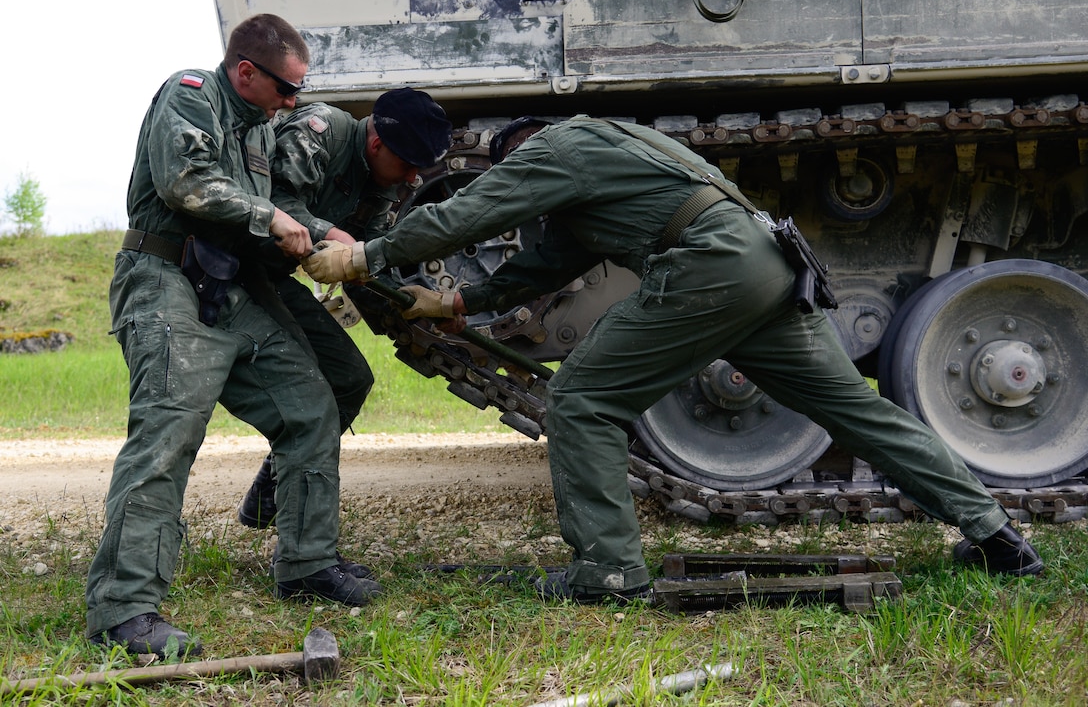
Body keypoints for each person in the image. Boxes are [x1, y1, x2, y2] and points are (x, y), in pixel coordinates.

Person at [300, 114, 1044, 603]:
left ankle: (610, 571)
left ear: (522, 150)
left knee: (584, 400)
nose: (520, 189)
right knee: (858, 410)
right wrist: (462, 305)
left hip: (709, 267)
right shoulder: (617, 150)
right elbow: (549, 261)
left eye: (516, 175)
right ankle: (997, 535)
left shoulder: (555, 148)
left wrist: (371, 254)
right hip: (770, 262)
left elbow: (470, 212)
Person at [85, 14, 380, 659]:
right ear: (245, 71)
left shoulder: (260, 129)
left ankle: (306, 563)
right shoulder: (189, 94)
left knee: (311, 407)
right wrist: (269, 215)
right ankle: (123, 610)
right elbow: (186, 184)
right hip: (165, 278)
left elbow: (278, 208)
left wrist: (323, 230)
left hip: (227, 286)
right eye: (285, 89)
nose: (295, 103)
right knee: (168, 436)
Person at [236, 89, 453, 541]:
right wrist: (333, 234)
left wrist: (412, 307)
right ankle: (301, 532)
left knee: (350, 378)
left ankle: (271, 485)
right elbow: (268, 200)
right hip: (233, 270)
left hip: (273, 280)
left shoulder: (385, 182)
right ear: (376, 144)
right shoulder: (322, 131)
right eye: (409, 163)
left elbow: (364, 264)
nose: (414, 177)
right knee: (310, 393)